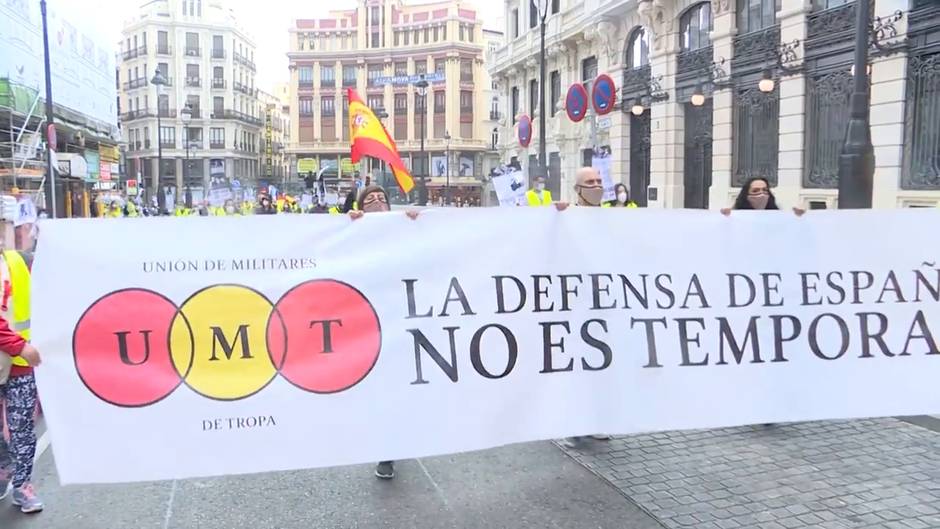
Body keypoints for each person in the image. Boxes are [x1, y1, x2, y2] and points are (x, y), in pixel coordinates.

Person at [348, 184, 419, 480]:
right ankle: (385, 446)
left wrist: (417, 223)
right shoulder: (352, 230)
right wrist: (348, 226)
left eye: (382, 198)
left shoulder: (407, 226)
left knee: (400, 385)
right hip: (367, 322)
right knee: (379, 387)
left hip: (403, 318)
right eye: (370, 199)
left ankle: (391, 446)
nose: (377, 202)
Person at [553, 167, 612, 447]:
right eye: (590, 182)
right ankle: (572, 423)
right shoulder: (567, 217)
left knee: (601, 367)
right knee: (576, 367)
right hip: (575, 305)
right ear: (577, 189)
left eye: (600, 181)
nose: (597, 186)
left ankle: (593, 421)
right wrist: (553, 216)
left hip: (606, 304)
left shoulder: (616, 217)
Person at [0, 248, 44, 513]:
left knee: (22, 429)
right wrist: (19, 346)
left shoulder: (18, 260)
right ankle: (4, 469)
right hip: (20, 353)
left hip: (20, 366)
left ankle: (22, 484)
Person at [720, 177, 805, 216]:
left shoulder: (777, 213)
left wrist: (798, 216)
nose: (761, 194)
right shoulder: (736, 214)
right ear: (746, 194)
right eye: (755, 191)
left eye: (764, 190)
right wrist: (725, 217)